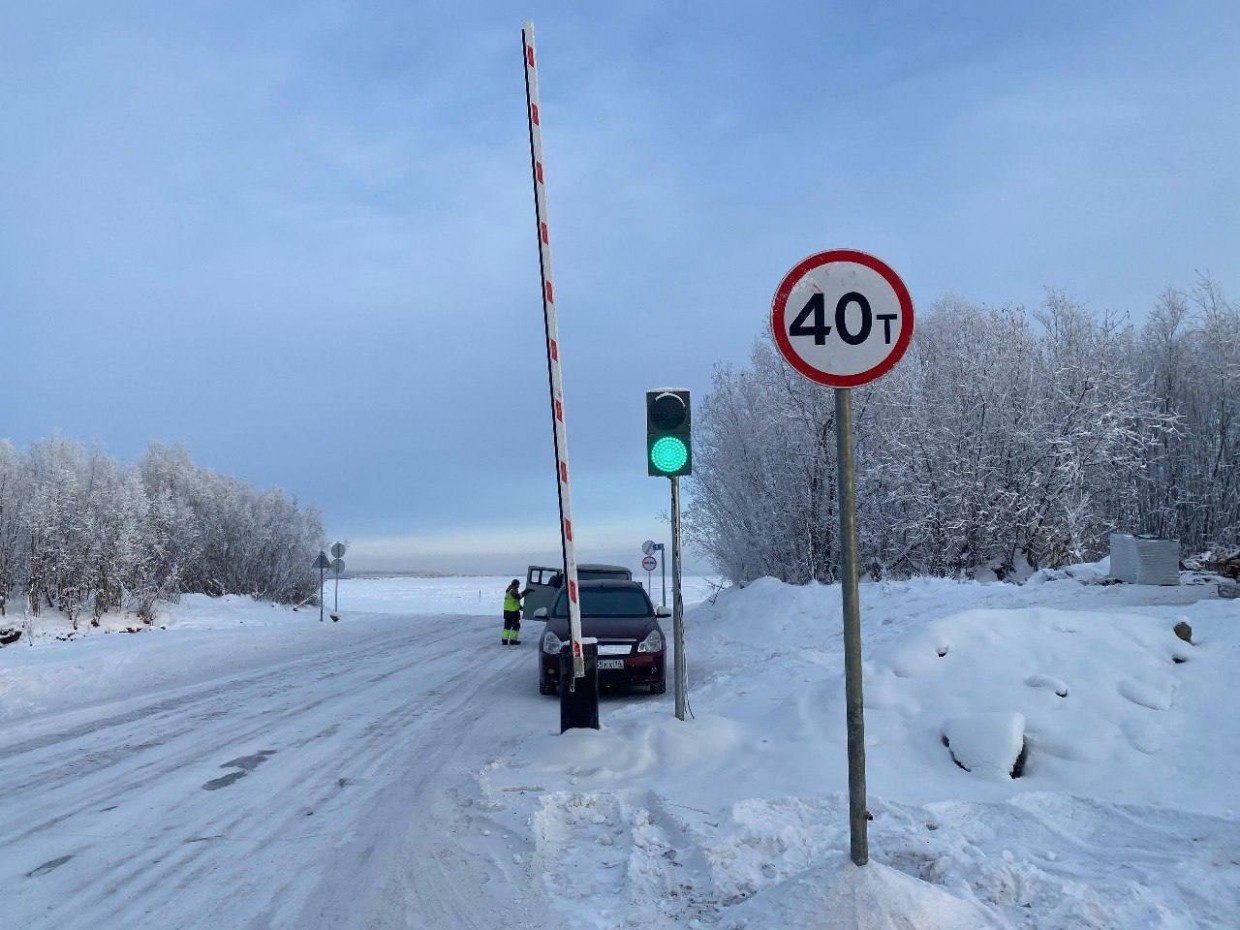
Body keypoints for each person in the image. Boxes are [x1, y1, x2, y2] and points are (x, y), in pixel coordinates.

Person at [501, 579, 529, 645]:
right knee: (516, 626)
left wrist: (521, 608)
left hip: (507, 612)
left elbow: (514, 602)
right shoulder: (513, 591)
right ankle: (513, 640)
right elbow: (517, 597)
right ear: (516, 585)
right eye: (518, 585)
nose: (518, 586)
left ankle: (504, 640)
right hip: (513, 613)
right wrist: (525, 592)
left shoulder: (508, 591)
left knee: (507, 626)